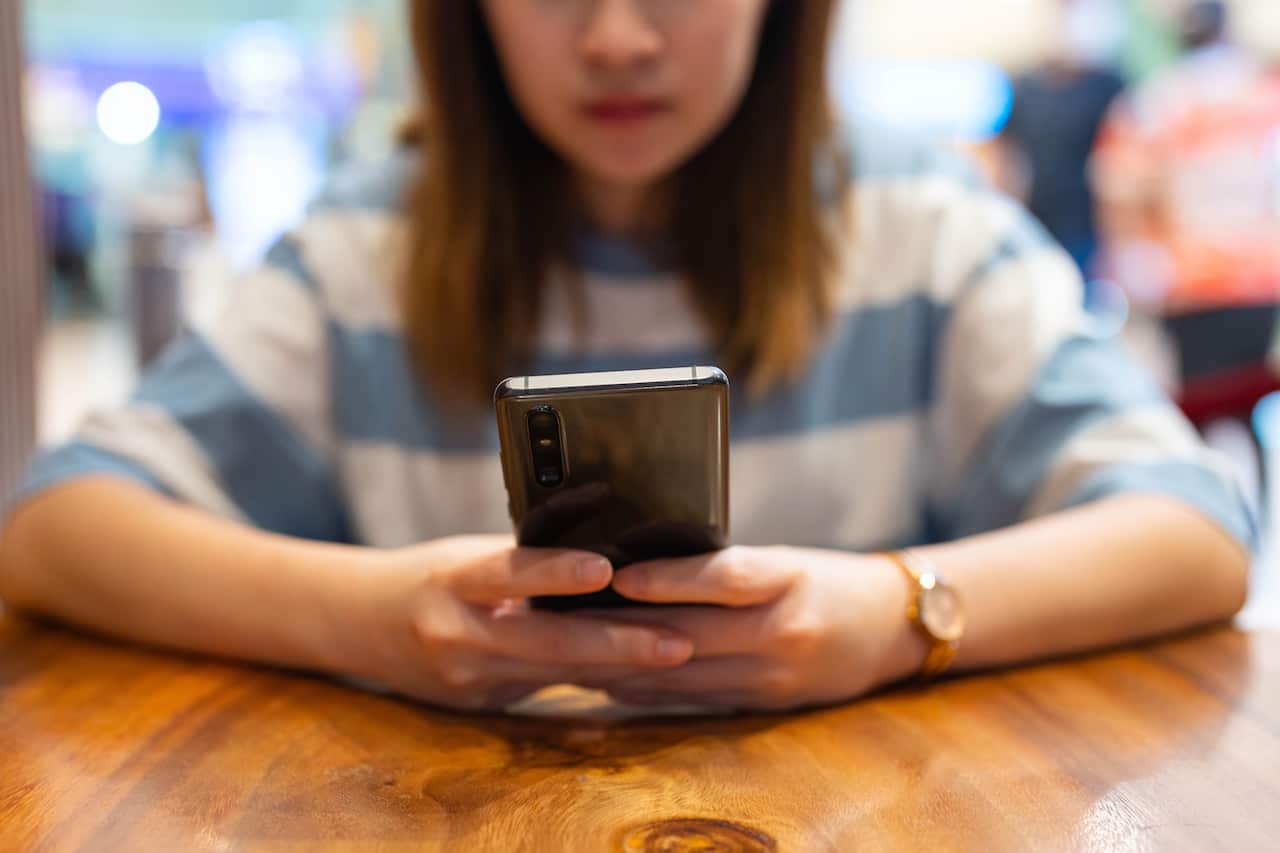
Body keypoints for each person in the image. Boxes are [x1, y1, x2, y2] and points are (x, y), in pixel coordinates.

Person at [0, 0, 1252, 714]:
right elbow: (52, 525)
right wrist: (367, 619)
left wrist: (893, 613)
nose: (612, 37)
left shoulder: (918, 230)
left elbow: (1193, 525)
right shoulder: (362, 249)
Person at [998, 0, 1125, 285]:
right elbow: (1009, 158)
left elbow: (1122, 167)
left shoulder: (1108, 86)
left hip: (1090, 230)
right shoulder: (1025, 86)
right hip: (1037, 223)